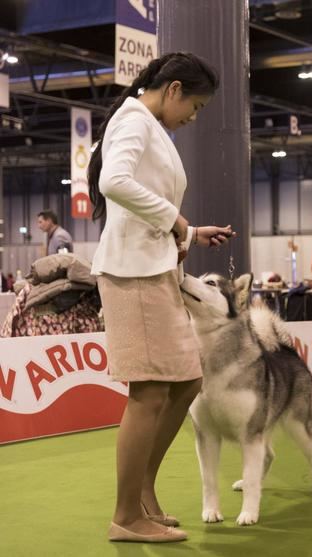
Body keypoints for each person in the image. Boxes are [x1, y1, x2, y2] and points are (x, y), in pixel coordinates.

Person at [88, 52, 233, 543]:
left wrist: (190, 234)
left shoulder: (147, 125)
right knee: (148, 393)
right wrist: (176, 221)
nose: (193, 116)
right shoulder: (134, 121)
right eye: (194, 105)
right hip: (133, 275)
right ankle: (125, 517)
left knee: (187, 382)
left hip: (153, 269)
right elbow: (113, 183)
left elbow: (141, 203)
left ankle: (142, 493)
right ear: (173, 89)